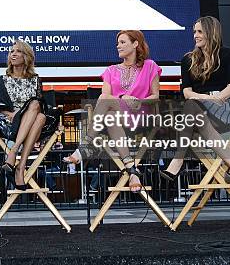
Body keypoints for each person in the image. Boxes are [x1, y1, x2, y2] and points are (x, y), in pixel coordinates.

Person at [63, 30, 161, 192]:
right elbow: (106, 96)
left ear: (135, 44)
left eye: (123, 42)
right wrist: (121, 99)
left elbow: (156, 96)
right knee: (106, 103)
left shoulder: (150, 66)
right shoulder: (110, 71)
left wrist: (139, 100)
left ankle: (85, 147)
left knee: (106, 104)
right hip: (116, 116)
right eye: (117, 43)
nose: (118, 46)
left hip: (141, 117)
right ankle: (132, 171)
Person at [160, 16, 230, 183]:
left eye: (200, 31)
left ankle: (177, 160)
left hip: (224, 105)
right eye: (194, 31)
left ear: (211, 32)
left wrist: (214, 99)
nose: (195, 35)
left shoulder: (227, 54)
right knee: (191, 106)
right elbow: (187, 92)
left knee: (191, 108)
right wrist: (205, 98)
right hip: (199, 109)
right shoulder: (188, 59)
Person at [0, 40, 47, 191]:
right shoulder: (1, 80)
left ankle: (16, 158)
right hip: (8, 120)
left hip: (30, 121)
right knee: (38, 113)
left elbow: (40, 105)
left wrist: (23, 113)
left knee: (38, 110)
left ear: (26, 56)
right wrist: (10, 113)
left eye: (18, 51)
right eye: (11, 51)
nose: (13, 54)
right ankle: (20, 166)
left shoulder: (35, 80)